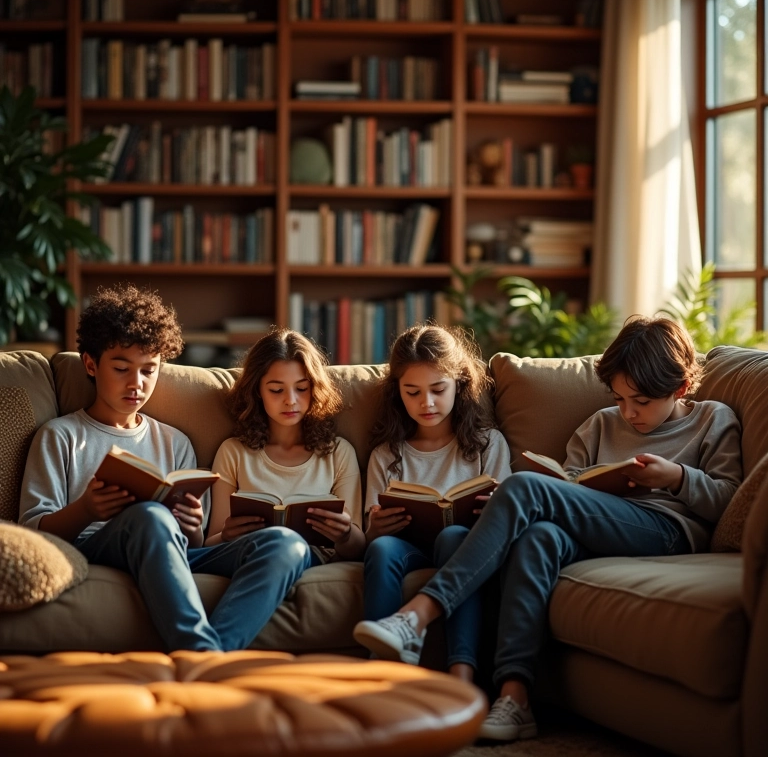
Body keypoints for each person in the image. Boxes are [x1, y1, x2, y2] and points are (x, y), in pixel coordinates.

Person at [353, 316, 742, 742]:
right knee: (539, 537)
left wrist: (677, 478)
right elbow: (568, 482)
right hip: (598, 531)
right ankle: (515, 697)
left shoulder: (712, 419)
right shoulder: (601, 424)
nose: (628, 412)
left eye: (642, 401)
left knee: (523, 487)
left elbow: (731, 502)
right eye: (619, 398)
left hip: (667, 530)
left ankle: (419, 614)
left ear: (680, 388)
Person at [18, 285, 311, 652]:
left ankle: (215, 653)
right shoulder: (60, 436)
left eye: (148, 370)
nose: (136, 384)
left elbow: (193, 546)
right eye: (122, 368)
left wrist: (191, 526)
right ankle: (199, 652)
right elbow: (30, 532)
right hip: (94, 547)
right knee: (150, 517)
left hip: (168, 550)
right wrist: (87, 509)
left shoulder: (175, 442)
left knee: (287, 545)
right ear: (91, 364)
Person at [354, 324, 511, 681]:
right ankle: (382, 669)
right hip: (407, 547)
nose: (426, 403)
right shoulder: (386, 455)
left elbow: (505, 511)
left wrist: (493, 508)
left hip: (463, 546)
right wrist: (375, 529)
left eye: (438, 390)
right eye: (413, 392)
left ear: (459, 384)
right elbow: (369, 533)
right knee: (382, 551)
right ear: (398, 394)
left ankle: (462, 673)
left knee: (453, 536)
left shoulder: (488, 444)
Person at [205, 328, 365, 567]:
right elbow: (211, 544)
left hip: (309, 559)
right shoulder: (233, 452)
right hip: (251, 554)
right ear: (257, 391)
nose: (290, 400)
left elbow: (359, 547)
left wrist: (345, 534)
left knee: (285, 546)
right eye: (277, 390)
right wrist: (227, 535)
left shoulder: (338, 453)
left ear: (314, 388)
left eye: (301, 388)